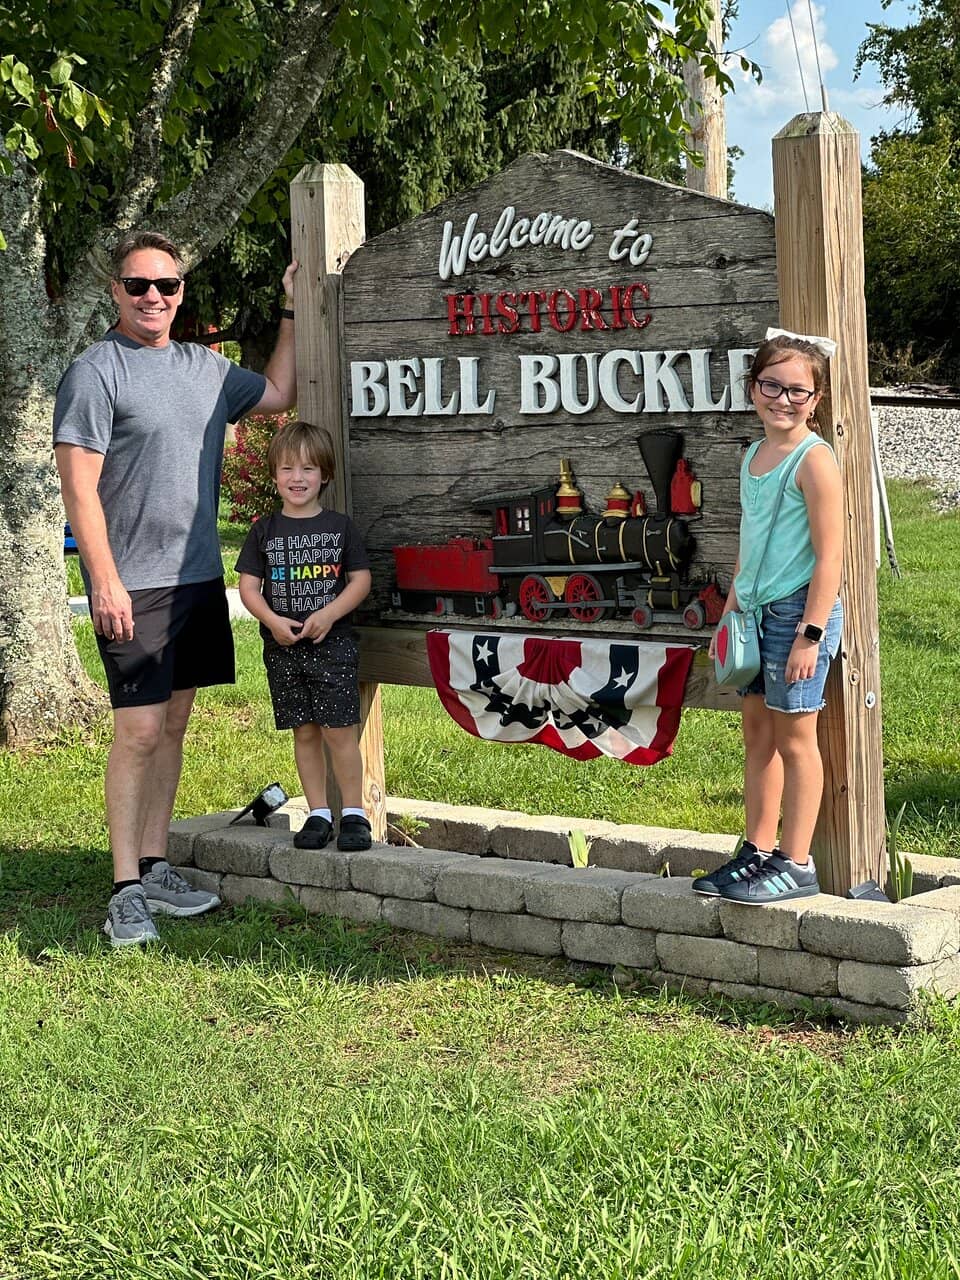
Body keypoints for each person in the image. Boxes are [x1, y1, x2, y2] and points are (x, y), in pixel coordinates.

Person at [54, 230, 298, 946]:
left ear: (181, 292)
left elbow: (279, 394)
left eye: (165, 285)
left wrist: (289, 309)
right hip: (133, 584)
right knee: (138, 731)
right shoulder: (96, 372)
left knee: (174, 725)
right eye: (138, 286)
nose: (152, 297)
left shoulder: (205, 368)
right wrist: (104, 580)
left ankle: (155, 866)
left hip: (196, 578)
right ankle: (124, 891)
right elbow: (78, 488)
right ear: (117, 292)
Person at [694, 330, 843, 905]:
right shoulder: (753, 456)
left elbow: (831, 557)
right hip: (755, 614)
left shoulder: (815, 460)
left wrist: (811, 633)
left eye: (797, 391)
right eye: (771, 386)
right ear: (753, 389)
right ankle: (756, 851)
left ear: (816, 398)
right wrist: (731, 609)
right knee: (757, 735)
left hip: (797, 615)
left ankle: (796, 863)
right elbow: (749, 543)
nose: (783, 399)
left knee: (795, 739)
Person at [235, 420, 373, 852]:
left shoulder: (339, 527)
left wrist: (330, 614)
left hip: (332, 648)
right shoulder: (264, 531)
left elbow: (361, 580)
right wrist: (272, 621)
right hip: (284, 649)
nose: (298, 478)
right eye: (288, 469)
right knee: (305, 731)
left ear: (324, 475)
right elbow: (248, 587)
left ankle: (354, 813)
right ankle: (318, 812)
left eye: (308, 469)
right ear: (275, 475)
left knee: (339, 731)